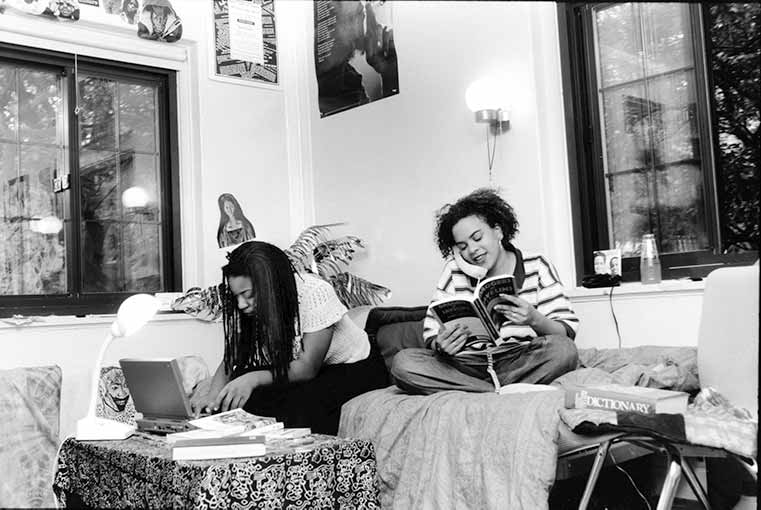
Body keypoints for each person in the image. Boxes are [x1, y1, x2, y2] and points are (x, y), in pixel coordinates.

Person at [391, 188, 579, 395]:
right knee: (403, 364)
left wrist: (534, 319)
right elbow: (431, 333)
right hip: (468, 364)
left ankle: (484, 389)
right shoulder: (454, 270)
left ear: (498, 231)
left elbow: (566, 332)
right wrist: (441, 343)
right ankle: (494, 391)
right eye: (462, 246)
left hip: (520, 359)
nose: (472, 250)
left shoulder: (537, 264)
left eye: (477, 238)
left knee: (564, 351)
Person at [190, 240, 388, 434]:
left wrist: (253, 379)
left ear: (270, 284)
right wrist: (212, 400)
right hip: (296, 366)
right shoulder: (248, 309)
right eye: (237, 296)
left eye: (247, 294)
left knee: (300, 405)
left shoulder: (314, 292)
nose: (241, 304)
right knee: (244, 398)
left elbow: (308, 367)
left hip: (352, 367)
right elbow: (232, 358)